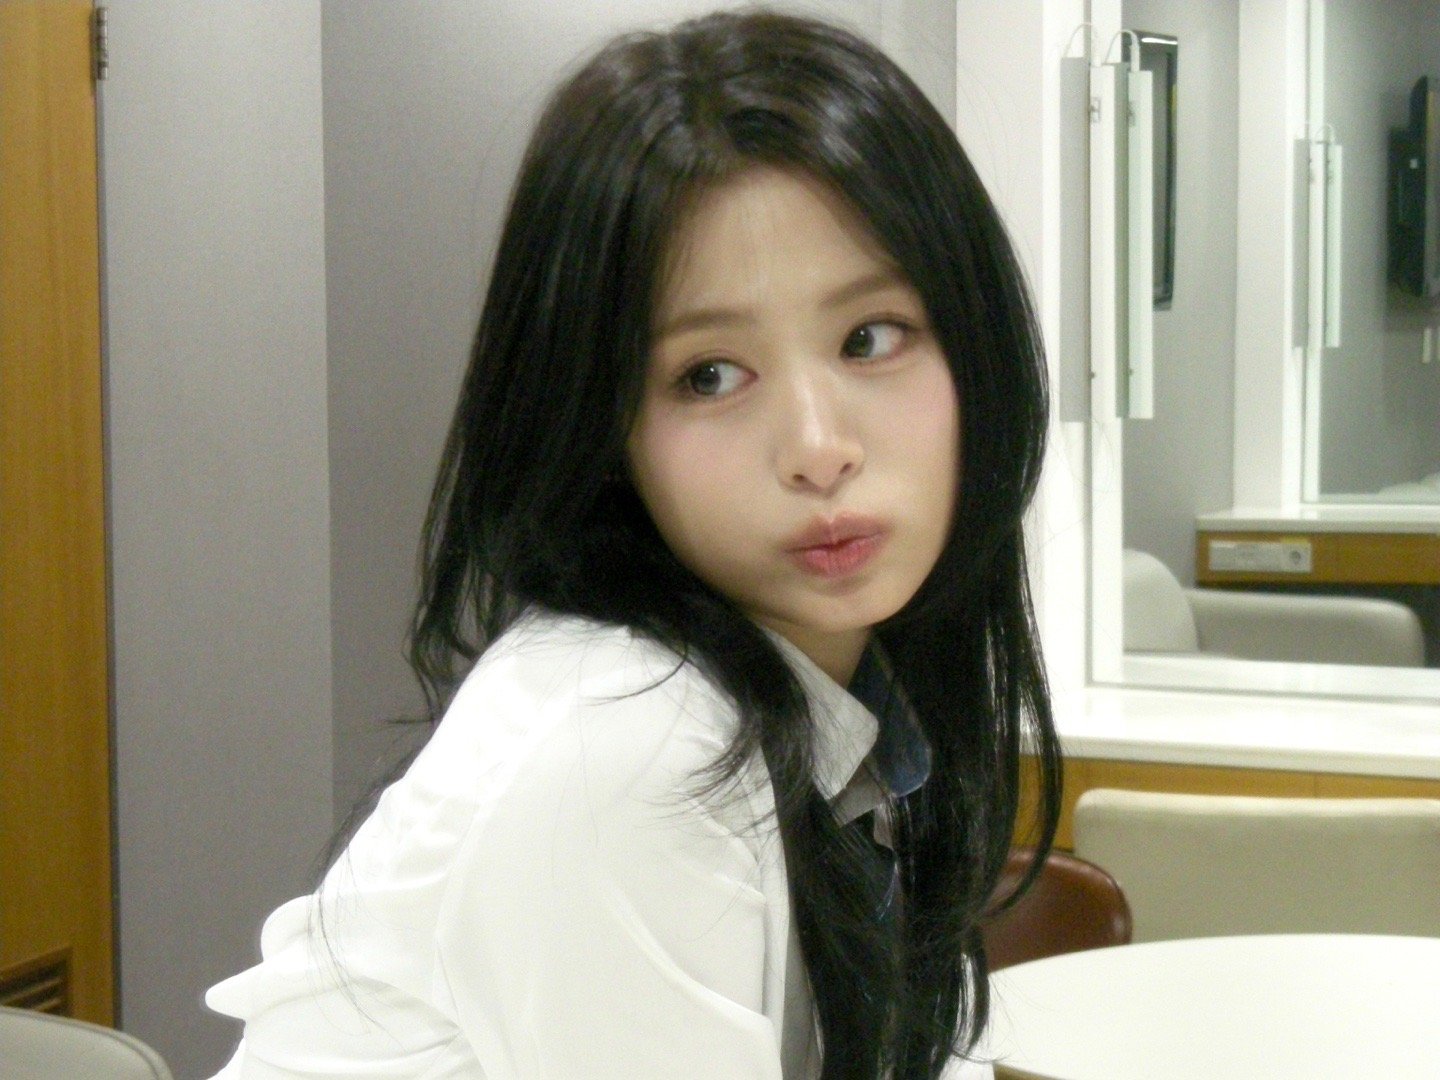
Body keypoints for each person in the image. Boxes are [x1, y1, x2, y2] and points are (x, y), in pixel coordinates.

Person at [204, 9, 1061, 1079]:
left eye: (869, 338)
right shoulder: (625, 744)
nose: (818, 448)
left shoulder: (842, 705)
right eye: (709, 374)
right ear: (604, 425)